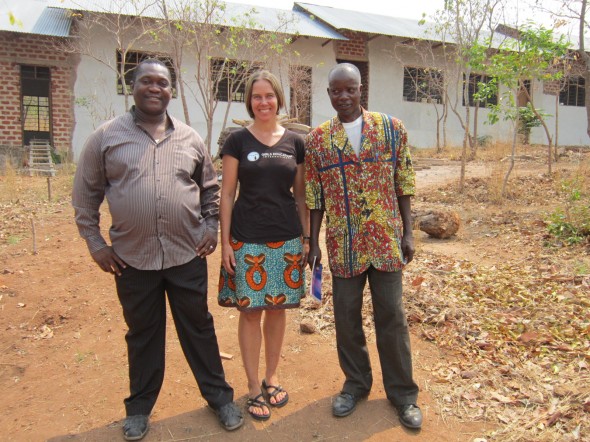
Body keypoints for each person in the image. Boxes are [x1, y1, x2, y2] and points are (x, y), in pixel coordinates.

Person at [72, 59, 243, 441]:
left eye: (162, 83)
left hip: (186, 255)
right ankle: (138, 409)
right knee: (143, 334)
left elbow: (210, 190)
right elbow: (85, 196)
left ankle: (220, 399)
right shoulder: (106, 137)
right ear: (131, 86)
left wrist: (211, 227)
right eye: (146, 81)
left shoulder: (190, 138)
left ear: (171, 90)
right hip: (133, 258)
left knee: (199, 329)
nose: (154, 88)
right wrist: (96, 244)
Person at [304, 63, 422, 430]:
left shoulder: (390, 129)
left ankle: (403, 395)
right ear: (329, 95)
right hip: (344, 242)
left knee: (392, 317)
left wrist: (408, 232)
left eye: (349, 89)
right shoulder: (318, 140)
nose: (343, 97)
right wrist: (314, 241)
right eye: (336, 91)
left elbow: (404, 181)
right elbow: (314, 195)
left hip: (385, 239)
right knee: (346, 317)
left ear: (360, 89)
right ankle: (356, 385)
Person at [217, 70, 308, 422]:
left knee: (277, 308)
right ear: (249, 102)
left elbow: (300, 196)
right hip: (246, 238)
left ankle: (273, 377)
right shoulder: (237, 141)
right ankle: (254, 386)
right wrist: (225, 241)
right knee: (250, 311)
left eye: (269, 95)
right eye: (257, 96)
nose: (263, 102)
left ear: (279, 99)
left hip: (284, 238)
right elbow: (226, 193)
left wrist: (304, 239)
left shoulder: (295, 143)